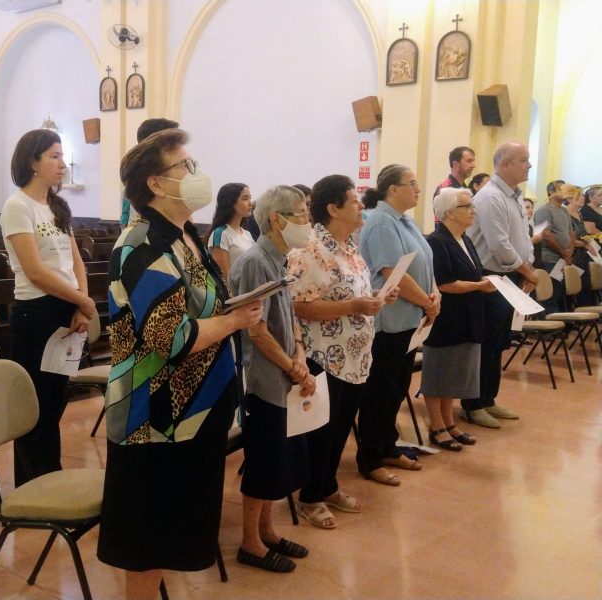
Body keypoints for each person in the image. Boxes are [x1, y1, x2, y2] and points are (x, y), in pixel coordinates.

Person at [97, 129, 262, 598]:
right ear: (155, 183)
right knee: (148, 538)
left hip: (195, 408)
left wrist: (237, 310)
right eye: (185, 167)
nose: (197, 175)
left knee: (174, 529)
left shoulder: (186, 234)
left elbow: (208, 305)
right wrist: (235, 322)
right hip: (153, 414)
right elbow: (171, 338)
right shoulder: (142, 244)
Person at [288, 174, 398, 528]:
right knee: (322, 430)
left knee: (340, 428)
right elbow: (300, 307)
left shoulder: (350, 247)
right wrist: (354, 307)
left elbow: (354, 296)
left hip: (355, 356)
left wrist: (378, 299)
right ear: (333, 208)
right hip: (325, 356)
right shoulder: (309, 250)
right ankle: (310, 496)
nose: (361, 205)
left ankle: (329, 485)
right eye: (354, 201)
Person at [0, 129, 95, 487]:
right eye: (54, 156)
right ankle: (31, 483)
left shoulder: (58, 206)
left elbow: (76, 262)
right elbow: (36, 272)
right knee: (35, 404)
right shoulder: (17, 206)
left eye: (62, 155)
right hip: (36, 313)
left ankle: (50, 476)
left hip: (67, 308)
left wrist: (82, 306)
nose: (62, 163)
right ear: (32, 162)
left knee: (56, 400)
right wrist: (81, 300)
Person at [230, 185, 315, 572]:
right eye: (301, 214)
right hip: (262, 379)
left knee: (278, 460)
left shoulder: (278, 259)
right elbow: (256, 330)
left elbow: (290, 317)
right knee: (263, 461)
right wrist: (290, 365)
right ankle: (250, 542)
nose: (307, 221)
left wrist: (299, 354)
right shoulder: (253, 262)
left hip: (282, 371)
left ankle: (268, 531)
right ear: (276, 219)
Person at [358, 164, 439, 485]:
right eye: (412, 184)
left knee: (397, 386)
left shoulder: (403, 220)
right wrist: (426, 301)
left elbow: (423, 263)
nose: (418, 189)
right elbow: (393, 272)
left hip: (410, 320)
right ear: (392, 189)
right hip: (389, 322)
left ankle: (388, 446)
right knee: (381, 390)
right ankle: (371, 457)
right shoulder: (380, 223)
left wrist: (433, 295)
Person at [464, 142, 539, 429]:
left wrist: (527, 269)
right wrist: (527, 271)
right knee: (483, 343)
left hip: (511, 276)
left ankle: (488, 400)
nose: (529, 165)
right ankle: (473, 404)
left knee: (498, 343)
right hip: (491, 277)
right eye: (524, 160)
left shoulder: (515, 196)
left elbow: (522, 238)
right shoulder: (490, 197)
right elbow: (499, 245)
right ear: (505, 164)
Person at [422, 188, 496, 450]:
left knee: (454, 374)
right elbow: (444, 284)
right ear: (449, 212)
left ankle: (449, 421)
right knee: (439, 373)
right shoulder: (437, 241)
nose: (473, 211)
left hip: (468, 315)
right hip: (447, 318)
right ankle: (436, 425)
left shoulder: (465, 238)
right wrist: (479, 286)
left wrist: (486, 282)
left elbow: (474, 274)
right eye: (467, 206)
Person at [120, 118, 179, 227]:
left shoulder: (172, 176)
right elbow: (128, 227)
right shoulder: (135, 182)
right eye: (172, 143)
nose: (177, 148)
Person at [534, 179, 575, 314]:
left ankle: (561, 323)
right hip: (550, 259)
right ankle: (548, 327)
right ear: (551, 192)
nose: (566, 192)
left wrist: (570, 250)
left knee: (561, 291)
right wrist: (563, 252)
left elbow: (571, 232)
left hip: (564, 258)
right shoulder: (543, 210)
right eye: (561, 189)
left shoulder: (564, 211)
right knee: (551, 293)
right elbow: (546, 235)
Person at [207, 183, 255, 277]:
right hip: (237, 291)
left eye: (250, 198)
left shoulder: (247, 234)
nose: (250, 203)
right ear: (231, 202)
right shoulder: (220, 234)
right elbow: (224, 276)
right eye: (245, 198)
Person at [564, 183, 598, 305]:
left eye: (583, 196)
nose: (583, 198)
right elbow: (567, 238)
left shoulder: (580, 214)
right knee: (570, 288)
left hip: (583, 256)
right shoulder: (564, 213)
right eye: (579, 196)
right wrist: (584, 244)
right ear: (569, 199)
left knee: (585, 286)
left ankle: (585, 317)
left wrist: (589, 241)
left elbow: (582, 234)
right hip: (571, 256)